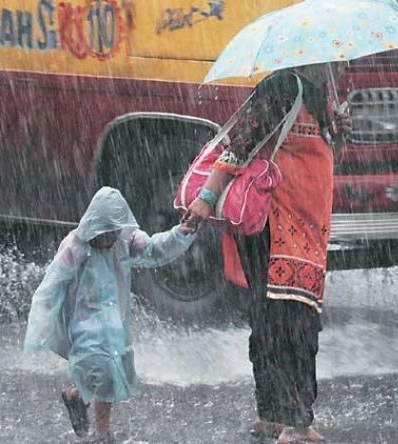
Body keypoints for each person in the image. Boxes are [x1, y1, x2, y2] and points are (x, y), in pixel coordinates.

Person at [183, 62, 351, 444]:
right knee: (291, 319)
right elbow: (241, 144)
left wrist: (337, 132)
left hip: (306, 227)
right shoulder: (282, 87)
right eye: (335, 59)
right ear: (310, 57)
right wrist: (207, 198)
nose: (340, 67)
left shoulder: (317, 95)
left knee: (275, 316)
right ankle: (294, 422)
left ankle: (272, 416)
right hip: (276, 226)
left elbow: (316, 158)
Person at [24, 187, 195, 443]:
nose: (110, 237)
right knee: (100, 369)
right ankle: (102, 431)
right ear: (94, 225)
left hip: (116, 323)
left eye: (114, 232)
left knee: (113, 375)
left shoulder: (125, 242)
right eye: (106, 232)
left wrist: (181, 234)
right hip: (85, 325)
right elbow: (52, 284)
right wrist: (42, 324)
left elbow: (154, 249)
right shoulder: (75, 247)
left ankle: (80, 401)